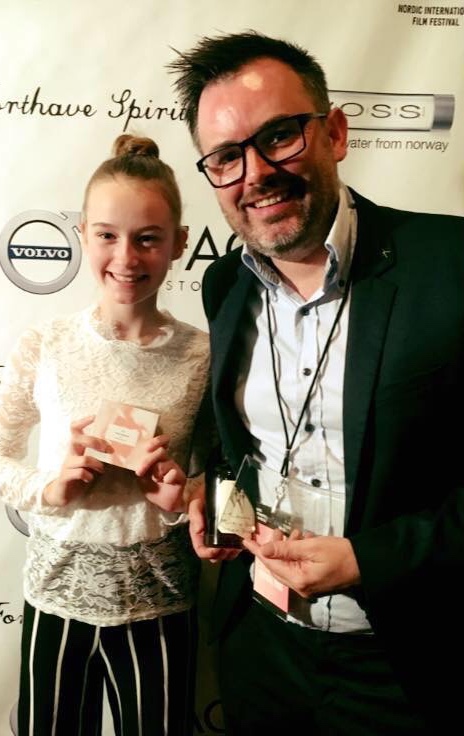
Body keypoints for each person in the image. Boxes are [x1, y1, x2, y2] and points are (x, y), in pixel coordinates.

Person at [168, 30, 464, 735]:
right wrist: (215, 497)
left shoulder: (450, 266)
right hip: (262, 649)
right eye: (227, 157)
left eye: (279, 136)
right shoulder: (223, 285)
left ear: (334, 132)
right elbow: (249, 439)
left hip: (414, 667)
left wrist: (371, 558)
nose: (256, 172)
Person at [0, 134, 212, 736]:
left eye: (148, 238)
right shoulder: (44, 345)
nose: (126, 257)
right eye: (107, 234)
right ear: (82, 234)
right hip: (56, 594)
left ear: (180, 244)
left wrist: (182, 499)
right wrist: (48, 491)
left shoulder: (203, 358)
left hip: (160, 599)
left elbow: (220, 482)